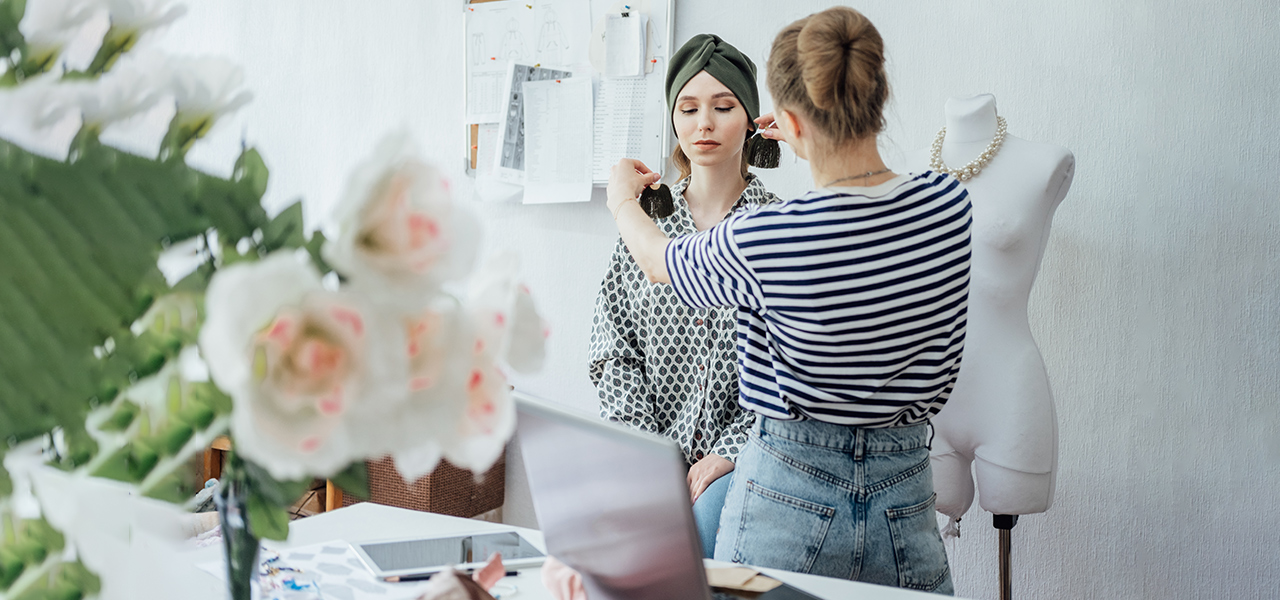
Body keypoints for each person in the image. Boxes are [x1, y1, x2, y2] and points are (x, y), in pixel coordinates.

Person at [605, 7, 970, 594]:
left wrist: (623, 201)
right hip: (904, 496)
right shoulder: (947, 207)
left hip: (787, 497)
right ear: (879, 98)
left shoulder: (768, 237)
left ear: (786, 122)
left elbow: (659, 261)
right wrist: (809, 134)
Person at [588, 33, 779, 559]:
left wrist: (729, 451)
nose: (705, 124)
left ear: (751, 118)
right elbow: (613, 348)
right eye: (689, 108)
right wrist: (650, 453)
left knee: (695, 535)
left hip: (747, 457)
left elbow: (792, 365)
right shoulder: (647, 223)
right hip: (649, 448)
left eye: (724, 106)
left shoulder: (776, 227)